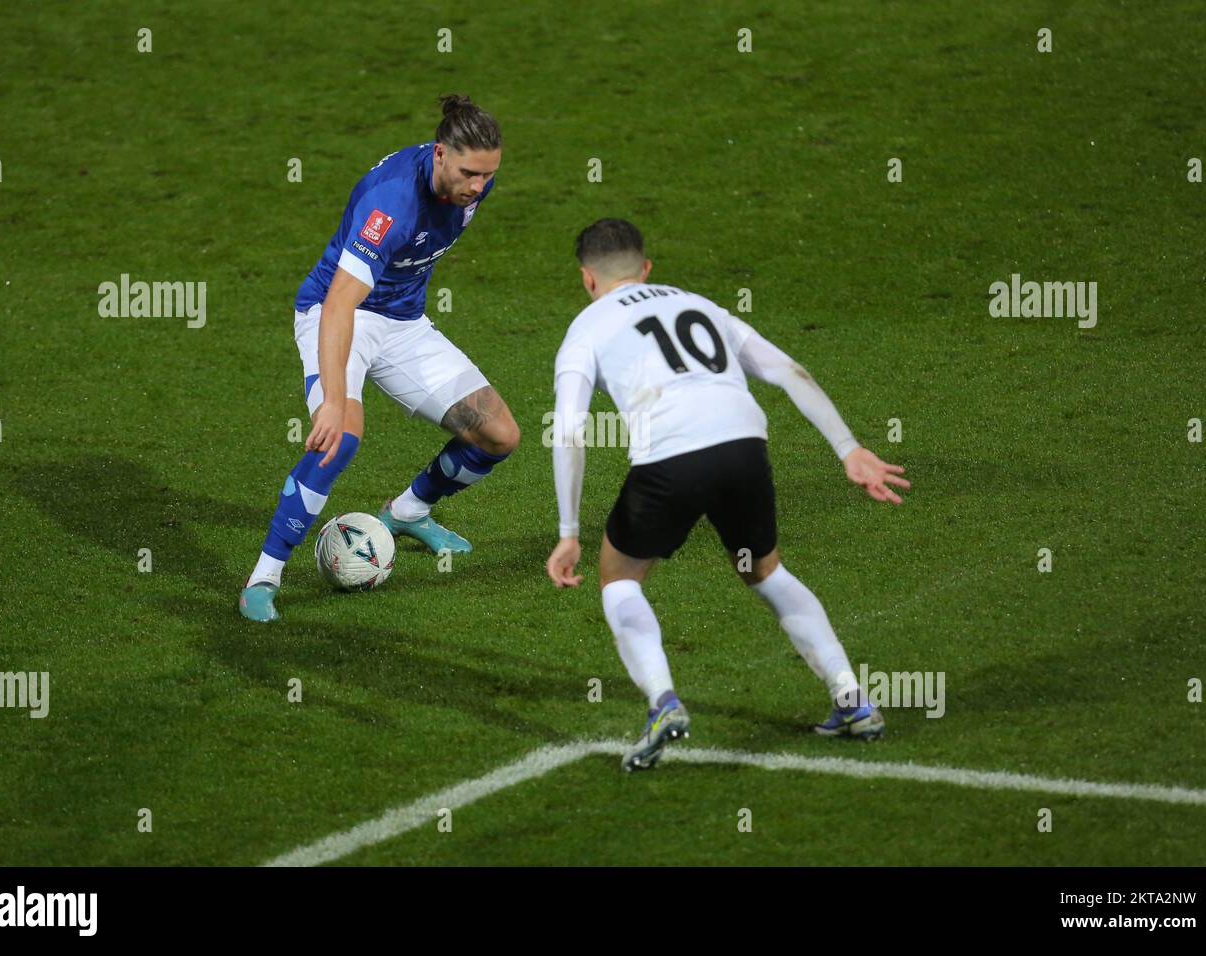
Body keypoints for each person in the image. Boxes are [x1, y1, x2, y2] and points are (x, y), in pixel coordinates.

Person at [545, 218, 911, 770]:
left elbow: (570, 432)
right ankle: (852, 698)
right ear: (646, 268)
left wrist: (569, 533)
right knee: (766, 572)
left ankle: (663, 702)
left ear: (587, 279)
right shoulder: (701, 304)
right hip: (744, 446)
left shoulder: (586, 328)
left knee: (619, 577)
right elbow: (789, 370)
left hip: (669, 459)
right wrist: (848, 448)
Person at [239, 95, 518, 622]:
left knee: (499, 434)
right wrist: (332, 401)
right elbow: (341, 303)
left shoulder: (471, 183)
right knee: (338, 438)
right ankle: (263, 578)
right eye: (468, 174)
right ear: (439, 154)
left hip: (404, 323)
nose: (478, 187)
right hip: (339, 314)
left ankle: (407, 512)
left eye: (487, 175)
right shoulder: (389, 204)